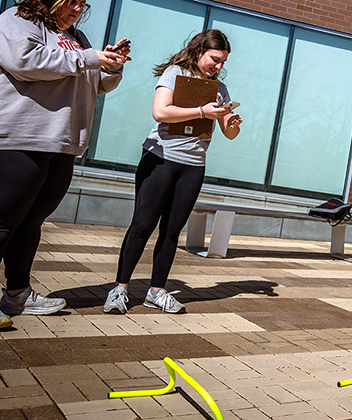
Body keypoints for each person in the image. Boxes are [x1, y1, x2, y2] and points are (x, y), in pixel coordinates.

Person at [0, 0, 128, 331]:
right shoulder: (15, 22)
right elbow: (27, 62)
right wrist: (91, 58)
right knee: (0, 217)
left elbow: (91, 80)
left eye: (83, 3)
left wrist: (111, 66)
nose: (79, 9)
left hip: (57, 140)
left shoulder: (75, 37)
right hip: (14, 136)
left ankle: (17, 294)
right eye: (72, 1)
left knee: (31, 219)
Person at [103, 29, 242, 315]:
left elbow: (230, 134)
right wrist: (203, 112)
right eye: (214, 59)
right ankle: (119, 289)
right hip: (160, 158)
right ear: (199, 51)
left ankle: (157, 291)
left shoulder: (219, 88)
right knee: (142, 225)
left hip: (193, 166)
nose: (218, 67)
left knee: (171, 231)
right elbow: (160, 112)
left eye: (223, 62)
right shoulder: (175, 73)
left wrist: (231, 122)